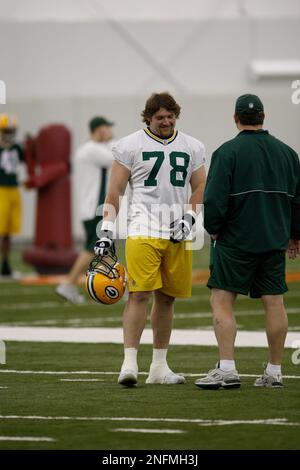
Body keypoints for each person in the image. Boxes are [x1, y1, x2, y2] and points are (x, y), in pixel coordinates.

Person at [94, 92, 206, 386]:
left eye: (170, 116)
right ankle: (129, 363)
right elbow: (114, 192)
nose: (166, 122)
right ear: (148, 118)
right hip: (142, 227)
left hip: (177, 231)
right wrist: (106, 231)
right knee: (139, 294)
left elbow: (200, 187)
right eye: (160, 117)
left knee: (167, 299)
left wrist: (190, 217)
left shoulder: (192, 145)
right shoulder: (130, 145)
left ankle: (159, 366)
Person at [195, 94, 300, 390]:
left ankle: (227, 368)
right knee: (274, 301)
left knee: (222, 298)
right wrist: (295, 234)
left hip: (236, 240)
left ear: (236, 118)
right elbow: (298, 200)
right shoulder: (289, 154)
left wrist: (214, 228)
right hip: (274, 240)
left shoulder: (227, 152)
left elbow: (214, 198)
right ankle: (275, 371)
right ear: (263, 117)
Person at [56, 116, 114, 303]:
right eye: (107, 128)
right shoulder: (91, 150)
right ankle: (68, 284)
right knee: (93, 247)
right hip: (94, 207)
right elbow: (115, 157)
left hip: (92, 206)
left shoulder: (91, 149)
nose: (111, 132)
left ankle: (120, 283)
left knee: (102, 248)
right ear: (99, 129)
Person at [0, 113, 24, 277]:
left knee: (8, 232)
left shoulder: (17, 148)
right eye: (6, 130)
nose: (9, 133)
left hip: (13, 189)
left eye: (11, 130)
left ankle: (5, 265)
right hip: (1, 190)